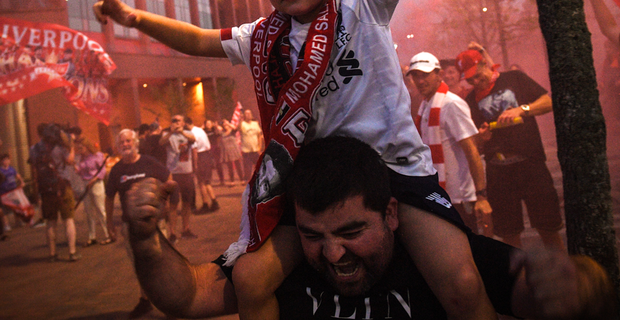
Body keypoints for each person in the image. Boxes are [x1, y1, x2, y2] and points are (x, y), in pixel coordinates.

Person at [90, 0, 493, 320]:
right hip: (319, 191)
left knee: (460, 283)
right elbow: (194, 39)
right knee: (253, 278)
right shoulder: (261, 36)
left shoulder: (363, 3)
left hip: (394, 171)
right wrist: (132, 17)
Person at [123, 136, 616, 320]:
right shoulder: (282, 262)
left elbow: (545, 293)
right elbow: (185, 296)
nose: (333, 255)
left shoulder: (439, 259)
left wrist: (577, 285)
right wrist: (145, 238)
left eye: (351, 231)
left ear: (393, 215)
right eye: (314, 235)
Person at [455, 49, 564, 250]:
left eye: (478, 76)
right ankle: (522, 279)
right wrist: (482, 138)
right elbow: (474, 149)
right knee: (509, 234)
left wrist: (522, 109)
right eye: (470, 80)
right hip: (498, 171)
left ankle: (563, 278)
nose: (476, 82)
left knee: (548, 227)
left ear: (485, 65)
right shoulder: (469, 102)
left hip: (531, 164)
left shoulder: (514, 78)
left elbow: (548, 102)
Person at [407, 52, 492, 233]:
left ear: (439, 74)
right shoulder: (425, 105)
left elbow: (471, 151)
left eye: (425, 75)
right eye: (416, 76)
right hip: (444, 197)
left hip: (461, 197)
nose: (420, 81)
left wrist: (481, 196)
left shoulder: (451, 104)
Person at [105, 128, 173, 319]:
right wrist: (109, 223)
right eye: (122, 142)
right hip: (131, 228)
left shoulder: (149, 162)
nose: (125, 145)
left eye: (128, 141)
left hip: (155, 225)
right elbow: (109, 197)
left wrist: (164, 201)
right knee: (140, 266)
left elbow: (168, 179)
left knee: (162, 263)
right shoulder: (117, 170)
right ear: (118, 146)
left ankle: (170, 302)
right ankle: (146, 300)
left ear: (135, 143)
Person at [29, 123, 81, 261]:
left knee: (50, 223)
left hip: (46, 189)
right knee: (68, 220)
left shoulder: (33, 149)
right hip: (63, 186)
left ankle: (52, 254)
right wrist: (71, 148)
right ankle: (72, 252)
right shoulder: (60, 147)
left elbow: (34, 166)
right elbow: (70, 161)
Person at [160, 115, 197, 240]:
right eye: (174, 121)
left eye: (178, 121)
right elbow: (161, 142)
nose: (176, 123)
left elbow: (193, 139)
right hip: (173, 173)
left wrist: (182, 133)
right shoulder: (167, 134)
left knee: (187, 202)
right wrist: (171, 131)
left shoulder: (187, 133)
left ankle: (186, 228)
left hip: (187, 172)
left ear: (183, 122)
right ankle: (172, 232)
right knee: (173, 203)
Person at [74, 141, 111, 246]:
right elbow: (81, 172)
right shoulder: (82, 159)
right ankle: (92, 236)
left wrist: (94, 179)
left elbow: (102, 170)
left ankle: (108, 234)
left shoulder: (97, 156)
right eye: (78, 149)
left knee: (100, 209)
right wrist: (76, 169)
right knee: (89, 211)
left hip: (96, 183)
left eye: (81, 148)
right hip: (86, 184)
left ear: (86, 147)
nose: (80, 151)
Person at [184, 116, 219, 213]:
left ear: (186, 124)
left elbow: (194, 150)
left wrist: (195, 165)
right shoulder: (199, 130)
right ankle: (214, 201)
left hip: (200, 157)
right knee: (207, 181)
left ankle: (205, 204)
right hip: (207, 155)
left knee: (201, 182)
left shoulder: (192, 133)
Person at [240, 109, 264, 182]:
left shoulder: (255, 123)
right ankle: (249, 183)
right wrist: (240, 119)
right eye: (246, 114)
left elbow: (259, 136)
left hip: (255, 150)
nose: (248, 115)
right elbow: (238, 128)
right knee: (247, 168)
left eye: (249, 113)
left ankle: (260, 181)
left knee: (259, 166)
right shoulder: (242, 123)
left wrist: (259, 147)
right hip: (246, 150)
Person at [219, 118, 244, 185]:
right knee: (229, 167)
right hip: (226, 151)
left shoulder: (232, 131)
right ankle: (232, 181)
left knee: (238, 165)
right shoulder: (222, 132)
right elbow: (217, 130)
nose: (225, 125)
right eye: (224, 124)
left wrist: (228, 123)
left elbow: (235, 128)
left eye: (226, 124)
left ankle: (242, 179)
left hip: (234, 150)